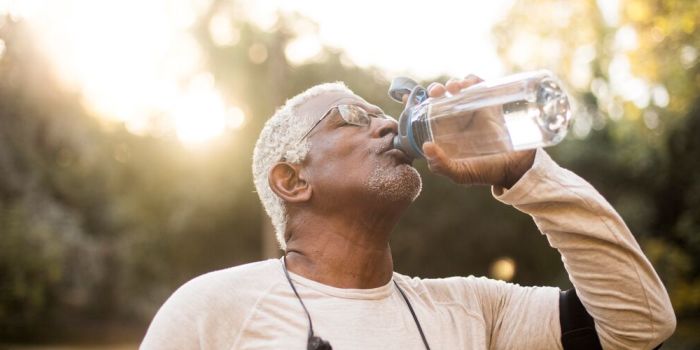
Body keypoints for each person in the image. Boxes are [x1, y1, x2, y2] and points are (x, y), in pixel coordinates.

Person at [141, 76, 676, 349]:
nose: (384, 125)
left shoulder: (473, 311)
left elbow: (639, 324)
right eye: (351, 117)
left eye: (382, 114)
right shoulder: (215, 311)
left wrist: (525, 173)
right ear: (293, 179)